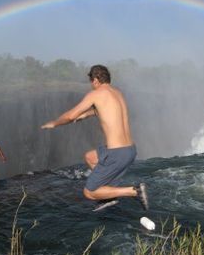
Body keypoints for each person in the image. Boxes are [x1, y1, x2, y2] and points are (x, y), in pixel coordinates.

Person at [41, 65, 148, 211]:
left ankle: (134, 191)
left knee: (89, 192)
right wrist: (84, 115)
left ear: (96, 80)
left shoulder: (96, 94)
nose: (91, 86)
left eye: (91, 81)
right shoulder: (117, 93)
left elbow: (70, 115)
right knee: (90, 157)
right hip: (129, 149)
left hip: (117, 152)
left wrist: (54, 123)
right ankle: (108, 196)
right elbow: (101, 111)